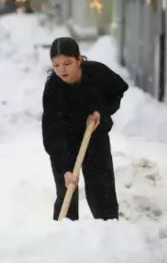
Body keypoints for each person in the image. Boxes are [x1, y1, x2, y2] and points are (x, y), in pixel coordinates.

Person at [42, 37, 129, 221]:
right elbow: (52, 132)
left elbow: (116, 92)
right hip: (65, 142)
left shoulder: (96, 73)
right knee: (67, 191)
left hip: (94, 136)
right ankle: (65, 233)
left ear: (79, 59)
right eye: (56, 65)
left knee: (102, 189)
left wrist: (101, 112)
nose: (62, 70)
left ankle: (109, 229)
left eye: (67, 63)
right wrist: (65, 168)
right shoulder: (53, 89)